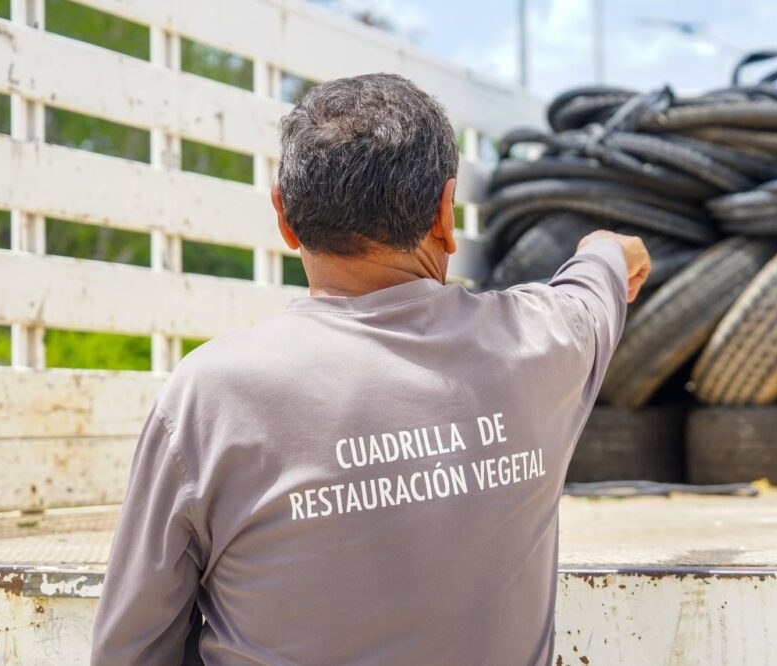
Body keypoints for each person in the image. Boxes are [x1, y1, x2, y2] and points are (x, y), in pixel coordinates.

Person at [90, 72, 650, 665]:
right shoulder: (544, 339)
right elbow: (600, 276)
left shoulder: (211, 394)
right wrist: (611, 250)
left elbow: (132, 649)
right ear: (444, 212)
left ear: (284, 214)